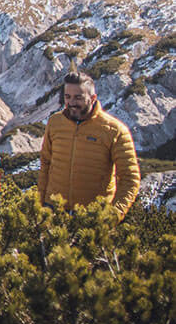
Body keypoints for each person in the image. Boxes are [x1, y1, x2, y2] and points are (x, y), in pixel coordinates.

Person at [38, 71, 140, 220]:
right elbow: (46, 163)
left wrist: (112, 216)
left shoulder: (114, 131)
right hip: (53, 212)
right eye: (67, 97)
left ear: (93, 98)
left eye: (78, 97)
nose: (71, 102)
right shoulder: (55, 122)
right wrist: (40, 205)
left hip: (91, 218)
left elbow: (130, 178)